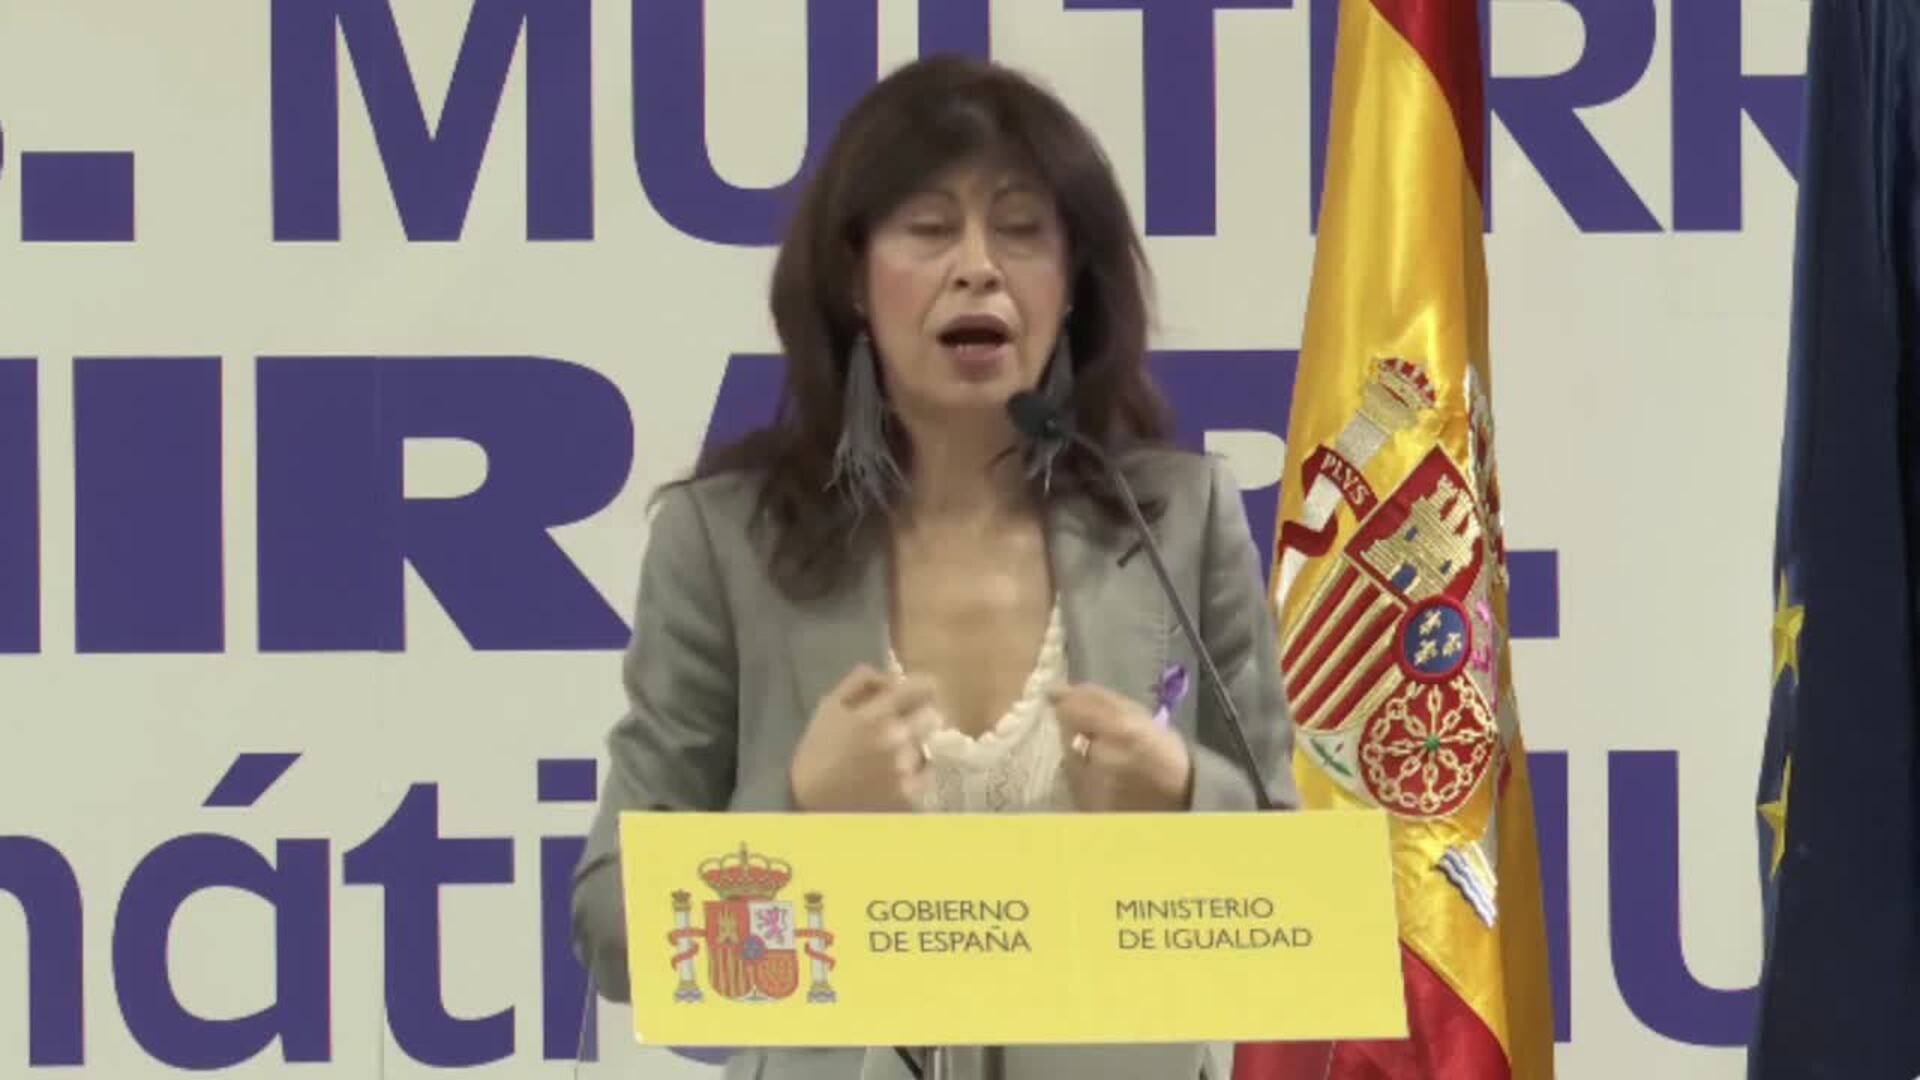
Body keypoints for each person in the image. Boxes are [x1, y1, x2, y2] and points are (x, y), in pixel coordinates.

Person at [571, 54, 1298, 1080]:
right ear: (852, 281)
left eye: (1022, 229)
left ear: (1071, 285)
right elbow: (613, 931)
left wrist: (1184, 797)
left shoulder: (1179, 521)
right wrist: (799, 810)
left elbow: (1302, 908)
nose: (978, 267)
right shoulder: (725, 541)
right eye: (927, 228)